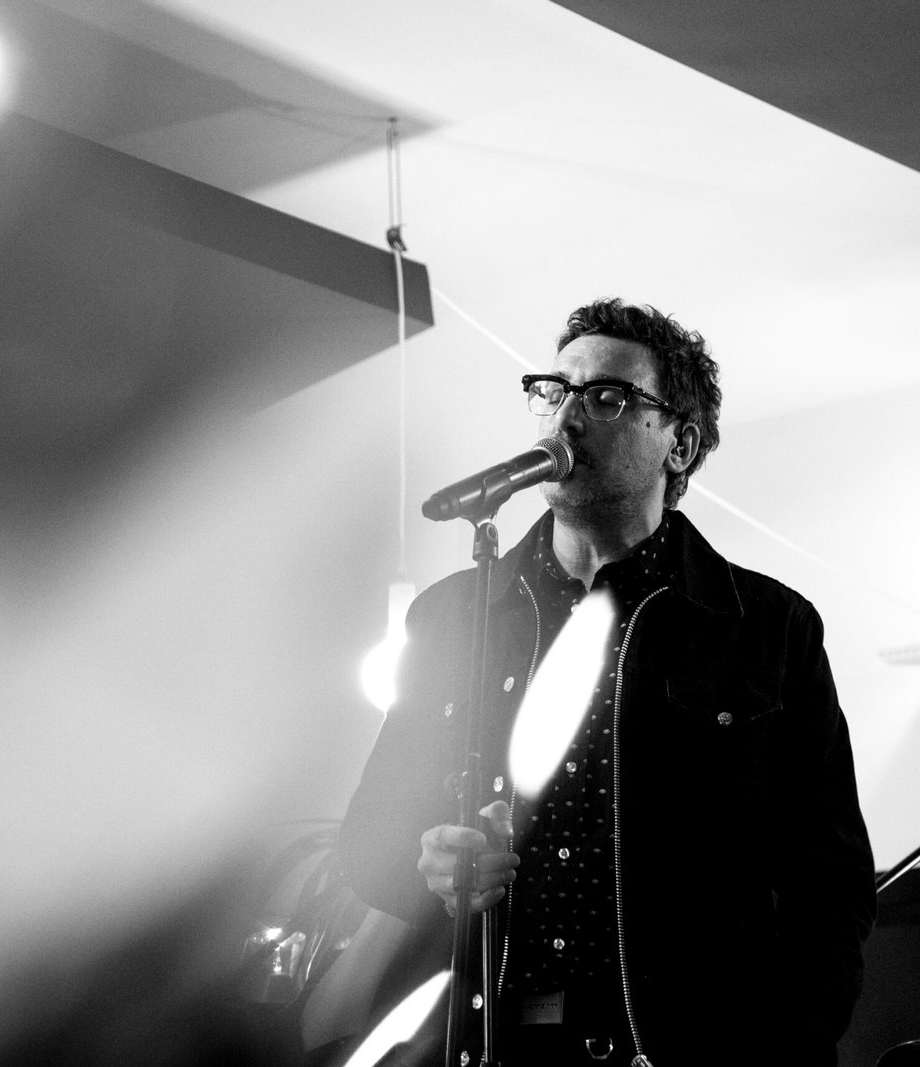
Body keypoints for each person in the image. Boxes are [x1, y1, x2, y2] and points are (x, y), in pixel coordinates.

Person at [337, 298, 876, 1065]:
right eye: (554, 390)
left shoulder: (767, 628)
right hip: (491, 1045)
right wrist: (429, 864)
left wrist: (785, 1045)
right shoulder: (454, 615)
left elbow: (831, 884)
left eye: (607, 396)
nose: (567, 415)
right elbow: (368, 842)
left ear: (679, 444)